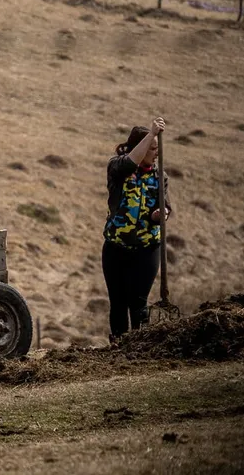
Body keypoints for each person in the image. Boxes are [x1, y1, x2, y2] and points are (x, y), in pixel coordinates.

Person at [101, 117, 173, 342]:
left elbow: (166, 206)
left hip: (147, 248)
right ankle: (119, 348)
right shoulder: (117, 167)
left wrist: (160, 215)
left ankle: (140, 350)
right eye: (151, 148)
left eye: (156, 148)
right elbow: (130, 163)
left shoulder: (160, 176)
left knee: (139, 303)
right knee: (118, 303)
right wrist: (151, 134)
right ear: (138, 148)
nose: (156, 153)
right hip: (116, 247)